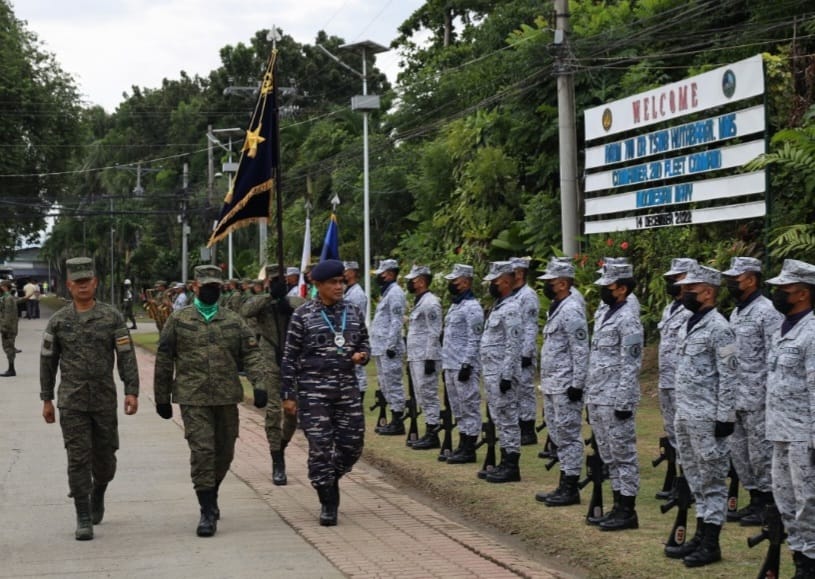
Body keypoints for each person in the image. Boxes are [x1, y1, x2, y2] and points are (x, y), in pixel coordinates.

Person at [153, 265, 270, 538]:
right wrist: (161, 397)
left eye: (215, 287)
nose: (211, 290)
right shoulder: (179, 319)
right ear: (195, 286)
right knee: (203, 451)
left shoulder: (233, 320)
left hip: (226, 397)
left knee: (224, 452)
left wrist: (260, 383)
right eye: (206, 286)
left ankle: (212, 491)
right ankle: (206, 509)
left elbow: (251, 354)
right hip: (193, 397)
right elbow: (164, 358)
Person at [40, 257, 139, 541]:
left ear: (95, 283)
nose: (83, 286)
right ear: (69, 285)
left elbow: (126, 355)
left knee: (106, 460)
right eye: (78, 282)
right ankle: (83, 515)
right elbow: (47, 362)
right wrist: (46, 398)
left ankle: (99, 491)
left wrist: (131, 390)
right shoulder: (58, 321)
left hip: (104, 400)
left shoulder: (112, 317)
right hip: (71, 401)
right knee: (78, 459)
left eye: (87, 281)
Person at [281, 259, 370, 526]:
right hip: (314, 393)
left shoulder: (353, 311)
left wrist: (362, 355)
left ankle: (328, 478)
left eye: (341, 281)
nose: (339, 287)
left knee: (352, 445)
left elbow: (364, 341)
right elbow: (289, 357)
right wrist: (288, 394)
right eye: (333, 283)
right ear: (318, 285)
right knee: (320, 447)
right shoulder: (303, 315)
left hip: (347, 390)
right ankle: (328, 501)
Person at [669, 264, 737, 567]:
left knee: (712, 481)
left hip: (708, 418)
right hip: (686, 414)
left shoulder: (720, 328)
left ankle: (711, 543)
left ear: (708, 292)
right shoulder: (690, 323)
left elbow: (730, 375)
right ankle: (699, 534)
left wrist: (725, 417)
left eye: (690, 289)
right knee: (695, 478)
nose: (684, 293)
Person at [720, 257, 783, 525]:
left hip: (759, 398)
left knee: (761, 454)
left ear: (751, 279)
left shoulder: (768, 312)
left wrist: (772, 396)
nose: (731, 283)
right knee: (740, 453)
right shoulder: (736, 313)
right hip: (736, 396)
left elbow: (775, 355)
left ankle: (769, 504)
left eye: (736, 278)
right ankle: (755, 498)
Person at [763, 259, 815, 577]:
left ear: (803, 293)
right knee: (785, 498)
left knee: (808, 500)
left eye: (784, 288)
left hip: (803, 434)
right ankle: (800, 557)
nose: (778, 293)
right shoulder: (782, 329)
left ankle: (811, 561)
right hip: (779, 429)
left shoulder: (812, 331)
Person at [585, 262, 643, 531]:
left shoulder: (628, 318)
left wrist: (624, 401)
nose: (603, 291)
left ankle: (628, 509)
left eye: (608, 287)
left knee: (623, 455)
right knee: (609, 455)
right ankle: (617, 505)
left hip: (616, 398)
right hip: (598, 394)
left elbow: (631, 363)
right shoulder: (606, 314)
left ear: (622, 289)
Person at [241, 265, 304, 485]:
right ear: (268, 282)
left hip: (293, 360)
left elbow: (307, 309)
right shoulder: (262, 302)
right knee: (273, 411)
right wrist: (270, 296)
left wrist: (287, 303)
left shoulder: (296, 302)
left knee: (292, 413)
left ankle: (282, 445)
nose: (278, 283)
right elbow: (246, 310)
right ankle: (277, 459)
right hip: (269, 357)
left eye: (282, 281)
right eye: (274, 280)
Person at [534, 257, 589, 506]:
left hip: (566, 384)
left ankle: (570, 486)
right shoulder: (557, 307)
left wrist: (577, 384)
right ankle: (564, 482)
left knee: (569, 435)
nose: (547, 285)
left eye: (551, 281)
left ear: (563, 284)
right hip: (552, 383)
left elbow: (580, 349)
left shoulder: (571, 309)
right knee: (558, 434)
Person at [655, 258, 696, 500]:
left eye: (676, 278)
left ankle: (687, 485)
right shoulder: (669, 308)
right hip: (666, 381)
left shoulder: (692, 310)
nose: (672, 282)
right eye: (671, 278)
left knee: (685, 436)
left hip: (683, 383)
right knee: (672, 433)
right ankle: (678, 482)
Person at [480, 261, 523, 483]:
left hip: (502, 375)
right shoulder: (499, 306)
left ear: (505, 282)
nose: (491, 285)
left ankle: (511, 465)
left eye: (494, 281)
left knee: (508, 419)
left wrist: (506, 375)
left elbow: (513, 344)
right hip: (492, 373)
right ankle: (504, 461)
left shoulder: (512, 308)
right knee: (499, 418)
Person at [441, 264, 484, 464]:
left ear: (465, 282)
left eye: (455, 281)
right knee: (457, 407)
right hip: (450, 363)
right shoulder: (456, 305)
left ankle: (469, 448)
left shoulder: (473, 307)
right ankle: (462, 443)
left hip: (463, 365)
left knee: (469, 406)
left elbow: (475, 338)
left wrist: (467, 364)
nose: (452, 284)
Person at [404, 265, 443, 450]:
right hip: (416, 356)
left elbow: (435, 332)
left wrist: (430, 358)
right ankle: (429, 429)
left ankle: (433, 432)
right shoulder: (420, 301)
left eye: (412, 280)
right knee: (421, 395)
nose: (409, 283)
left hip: (426, 357)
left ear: (420, 281)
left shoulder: (431, 303)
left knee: (428, 394)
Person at [370, 259, 407, 435]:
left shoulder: (395, 293)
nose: (379, 277)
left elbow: (396, 320)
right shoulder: (387, 292)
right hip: (380, 347)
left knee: (393, 384)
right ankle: (394, 418)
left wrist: (391, 345)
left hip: (389, 348)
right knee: (385, 384)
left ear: (390, 274)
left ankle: (398, 420)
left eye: (382, 274)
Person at [509, 257, 540, 446]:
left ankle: (527, 430)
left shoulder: (528, 295)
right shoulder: (510, 294)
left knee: (524, 391)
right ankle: (516, 427)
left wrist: (527, 353)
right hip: (510, 352)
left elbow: (530, 325)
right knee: (512, 391)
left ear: (520, 273)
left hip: (522, 351)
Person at [343, 261, 368, 401]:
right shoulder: (348, 291)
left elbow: (359, 318)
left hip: (354, 336)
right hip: (346, 336)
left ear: (352, 272)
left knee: (358, 371)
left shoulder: (357, 294)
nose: (343, 274)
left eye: (345, 271)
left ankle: (360, 399)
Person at [0, 279, 19, 376]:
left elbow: (7, 314)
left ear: (4, 287)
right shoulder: (7, 297)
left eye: (1, 286)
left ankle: (11, 370)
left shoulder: (8, 298)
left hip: (8, 328)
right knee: (8, 347)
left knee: (8, 348)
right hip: (10, 327)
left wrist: (4, 327)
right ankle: (11, 369)